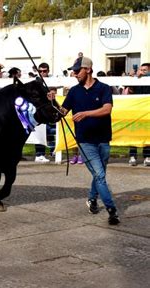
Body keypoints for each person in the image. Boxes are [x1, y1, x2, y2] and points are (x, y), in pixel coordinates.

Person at [59, 56, 120, 225]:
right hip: (85, 141)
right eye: (73, 71)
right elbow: (62, 112)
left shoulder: (104, 88)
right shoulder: (74, 91)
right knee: (100, 175)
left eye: (77, 71)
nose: (74, 74)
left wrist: (86, 113)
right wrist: (51, 102)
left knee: (98, 174)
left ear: (88, 69)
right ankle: (112, 210)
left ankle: (92, 199)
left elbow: (107, 109)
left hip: (103, 139)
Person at [126, 62, 150, 166]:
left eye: (145, 70)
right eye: (141, 70)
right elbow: (130, 90)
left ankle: (148, 156)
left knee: (146, 133)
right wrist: (132, 78)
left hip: (147, 111)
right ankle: (132, 156)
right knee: (133, 132)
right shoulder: (136, 80)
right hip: (135, 111)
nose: (142, 72)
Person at [34, 62, 56, 163]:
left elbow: (58, 88)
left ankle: (53, 151)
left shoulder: (53, 80)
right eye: (40, 71)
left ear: (48, 71)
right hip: (39, 111)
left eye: (44, 71)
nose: (42, 73)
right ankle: (39, 154)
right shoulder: (34, 81)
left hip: (50, 110)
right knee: (40, 131)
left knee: (52, 130)